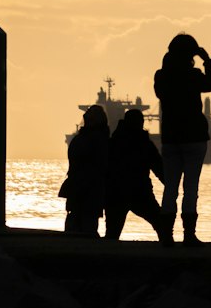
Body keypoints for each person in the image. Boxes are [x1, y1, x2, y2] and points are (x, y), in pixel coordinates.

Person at [153, 34, 211, 245]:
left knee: (170, 187)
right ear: (192, 54)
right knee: (191, 187)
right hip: (194, 137)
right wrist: (207, 59)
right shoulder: (194, 75)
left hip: (171, 138)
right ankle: (189, 235)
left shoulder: (161, 77)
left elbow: (161, 92)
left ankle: (166, 235)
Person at [104, 108, 166, 241]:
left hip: (115, 192)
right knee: (161, 224)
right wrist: (170, 183)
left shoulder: (113, 142)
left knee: (112, 234)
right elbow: (158, 166)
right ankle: (168, 249)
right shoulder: (144, 143)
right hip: (140, 191)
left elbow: (102, 168)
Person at [62, 103, 109, 236]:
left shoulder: (78, 140)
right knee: (88, 225)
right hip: (91, 190)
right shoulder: (101, 141)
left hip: (78, 189)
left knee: (75, 225)